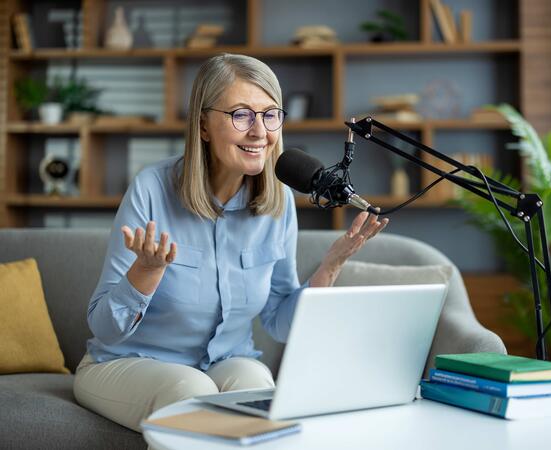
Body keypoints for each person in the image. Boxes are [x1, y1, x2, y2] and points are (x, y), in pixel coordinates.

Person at [73, 53, 388, 432]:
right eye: (241, 114)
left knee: (256, 382)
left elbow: (279, 321)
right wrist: (146, 270)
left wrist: (330, 267)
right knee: (189, 388)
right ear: (203, 125)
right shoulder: (152, 189)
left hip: (224, 361)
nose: (260, 132)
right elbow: (104, 328)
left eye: (270, 114)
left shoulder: (279, 202)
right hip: (126, 363)